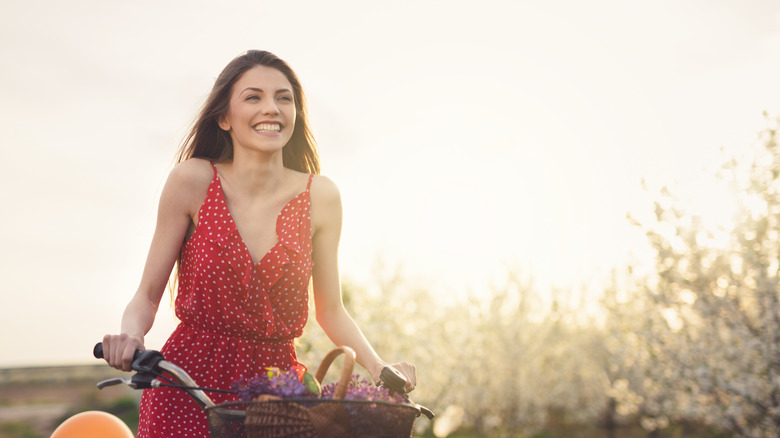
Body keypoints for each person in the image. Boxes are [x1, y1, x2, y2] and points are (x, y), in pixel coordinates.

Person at [101, 50, 417, 437]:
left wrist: (379, 368)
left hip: (277, 394)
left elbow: (331, 310)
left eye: (284, 98)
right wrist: (131, 336)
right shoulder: (191, 181)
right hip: (185, 382)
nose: (272, 108)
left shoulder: (321, 196)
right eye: (253, 97)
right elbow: (148, 296)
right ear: (223, 117)